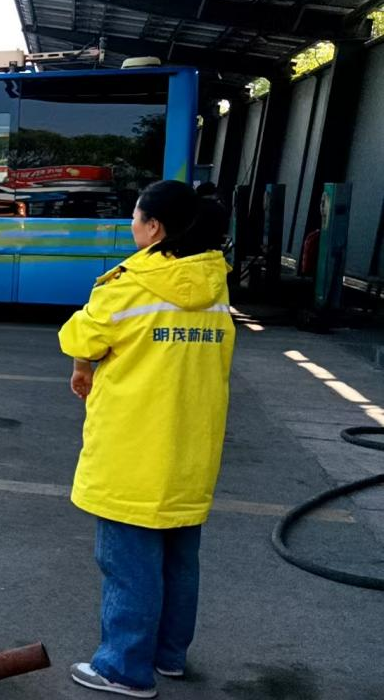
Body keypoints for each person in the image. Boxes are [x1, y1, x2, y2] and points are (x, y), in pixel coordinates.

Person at [59, 180, 234, 698]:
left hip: (134, 450)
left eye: (136, 216)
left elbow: (80, 336)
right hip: (191, 449)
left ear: (154, 227)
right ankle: (168, 656)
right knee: (179, 561)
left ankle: (123, 668)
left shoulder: (129, 284)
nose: (132, 223)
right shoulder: (214, 285)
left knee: (128, 565)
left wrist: (82, 365)